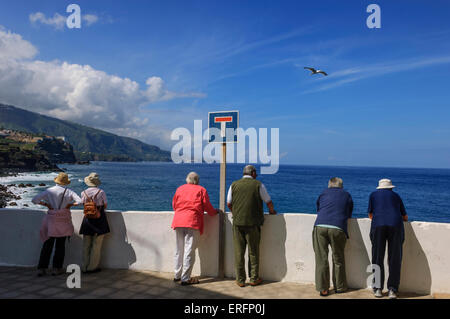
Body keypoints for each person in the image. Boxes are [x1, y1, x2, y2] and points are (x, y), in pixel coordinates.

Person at [227, 165, 276, 287]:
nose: (257, 175)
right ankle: (254, 278)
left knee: (239, 252)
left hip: (238, 223)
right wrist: (271, 211)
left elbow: (229, 203)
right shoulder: (258, 185)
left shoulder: (234, 184)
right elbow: (268, 201)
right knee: (253, 252)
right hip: (253, 223)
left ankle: (240, 280)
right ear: (253, 173)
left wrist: (235, 213)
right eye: (256, 173)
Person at [171, 172, 221, 285]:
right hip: (192, 221)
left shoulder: (179, 189)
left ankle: (177, 275)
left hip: (178, 220)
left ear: (187, 180)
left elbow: (174, 205)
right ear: (197, 181)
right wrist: (214, 212)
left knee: (179, 249)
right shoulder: (201, 190)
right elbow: (207, 206)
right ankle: (185, 278)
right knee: (189, 250)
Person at [32, 172, 82, 276]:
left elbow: (34, 200)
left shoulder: (49, 190)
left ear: (57, 180)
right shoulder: (69, 192)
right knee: (60, 246)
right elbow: (80, 201)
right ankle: (56, 268)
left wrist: (46, 204)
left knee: (47, 245)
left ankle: (41, 268)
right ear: (66, 182)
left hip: (51, 221)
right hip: (63, 221)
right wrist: (69, 205)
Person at [312, 177, 353, 297]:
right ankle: (339, 287)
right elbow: (349, 212)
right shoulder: (346, 195)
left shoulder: (323, 193)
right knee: (338, 258)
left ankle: (323, 289)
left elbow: (319, 208)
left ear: (329, 185)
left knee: (321, 259)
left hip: (320, 226)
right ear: (341, 185)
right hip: (338, 227)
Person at [368, 178, 408, 299]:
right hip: (395, 225)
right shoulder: (396, 196)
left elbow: (370, 214)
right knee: (394, 258)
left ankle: (377, 289)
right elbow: (404, 216)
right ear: (391, 188)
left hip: (378, 225)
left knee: (377, 257)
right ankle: (392, 290)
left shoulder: (373, 195)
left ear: (379, 188)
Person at [79, 172, 110, 274]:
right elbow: (105, 205)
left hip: (87, 220)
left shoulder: (84, 192)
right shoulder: (101, 192)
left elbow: (82, 203)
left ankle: (84, 267)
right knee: (96, 245)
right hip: (99, 219)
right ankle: (92, 267)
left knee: (86, 245)